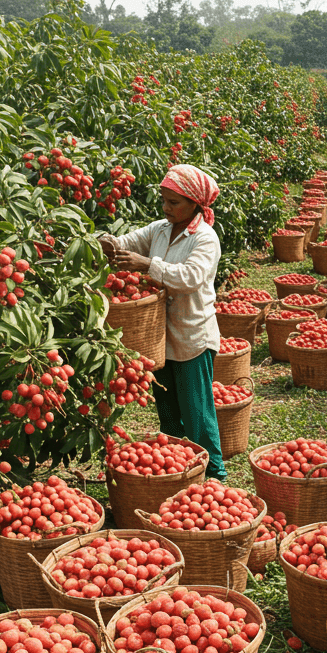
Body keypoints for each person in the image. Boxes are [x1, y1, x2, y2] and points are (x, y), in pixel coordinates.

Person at [98, 164, 228, 482]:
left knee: (197, 414)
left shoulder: (205, 239)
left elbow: (190, 277)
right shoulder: (159, 229)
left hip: (191, 337)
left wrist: (148, 264)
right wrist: (101, 242)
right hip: (158, 338)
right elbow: (125, 242)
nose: (166, 208)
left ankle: (215, 475)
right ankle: (182, 469)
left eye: (174, 202)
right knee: (168, 411)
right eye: (164, 200)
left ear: (196, 204)